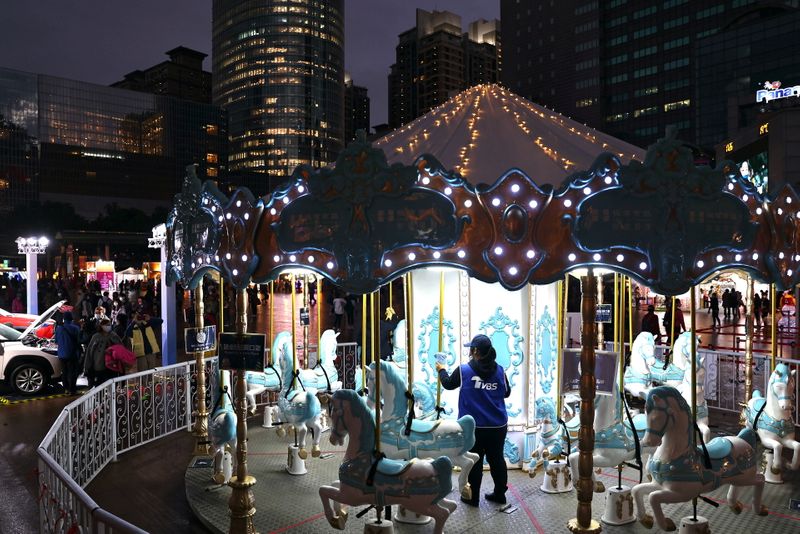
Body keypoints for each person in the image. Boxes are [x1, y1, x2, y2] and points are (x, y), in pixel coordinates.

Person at [436, 334, 510, 506]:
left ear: (475, 351)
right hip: (497, 426)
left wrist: (441, 369)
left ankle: (473, 497)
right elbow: (506, 392)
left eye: (471, 348)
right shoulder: (500, 371)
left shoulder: (464, 371)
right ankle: (500, 494)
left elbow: (447, 383)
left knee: (474, 461)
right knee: (497, 459)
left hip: (473, 427)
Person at [84, 318, 122, 387]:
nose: (108, 326)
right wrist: (87, 365)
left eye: (109, 325)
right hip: (99, 365)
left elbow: (120, 348)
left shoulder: (114, 335)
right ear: (101, 326)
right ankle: (101, 397)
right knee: (100, 385)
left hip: (112, 365)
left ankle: (111, 397)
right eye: (106, 325)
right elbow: (90, 351)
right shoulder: (96, 336)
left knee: (112, 383)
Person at [55, 311, 82, 395]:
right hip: (72, 354)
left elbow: (56, 341)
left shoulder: (59, 328)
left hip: (61, 354)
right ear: (71, 319)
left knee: (64, 372)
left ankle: (66, 389)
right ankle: (72, 390)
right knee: (72, 372)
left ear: (64, 319)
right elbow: (79, 340)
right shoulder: (75, 328)